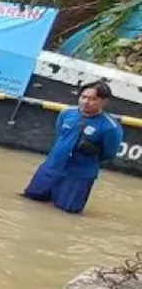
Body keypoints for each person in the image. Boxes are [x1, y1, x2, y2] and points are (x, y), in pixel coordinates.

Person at [22, 80, 124, 215]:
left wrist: (94, 150)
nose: (86, 102)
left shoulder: (110, 127)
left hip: (78, 176)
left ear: (104, 102)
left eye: (93, 99)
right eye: (83, 97)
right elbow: (59, 133)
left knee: (66, 214)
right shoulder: (66, 113)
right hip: (51, 168)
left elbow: (109, 154)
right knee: (28, 202)